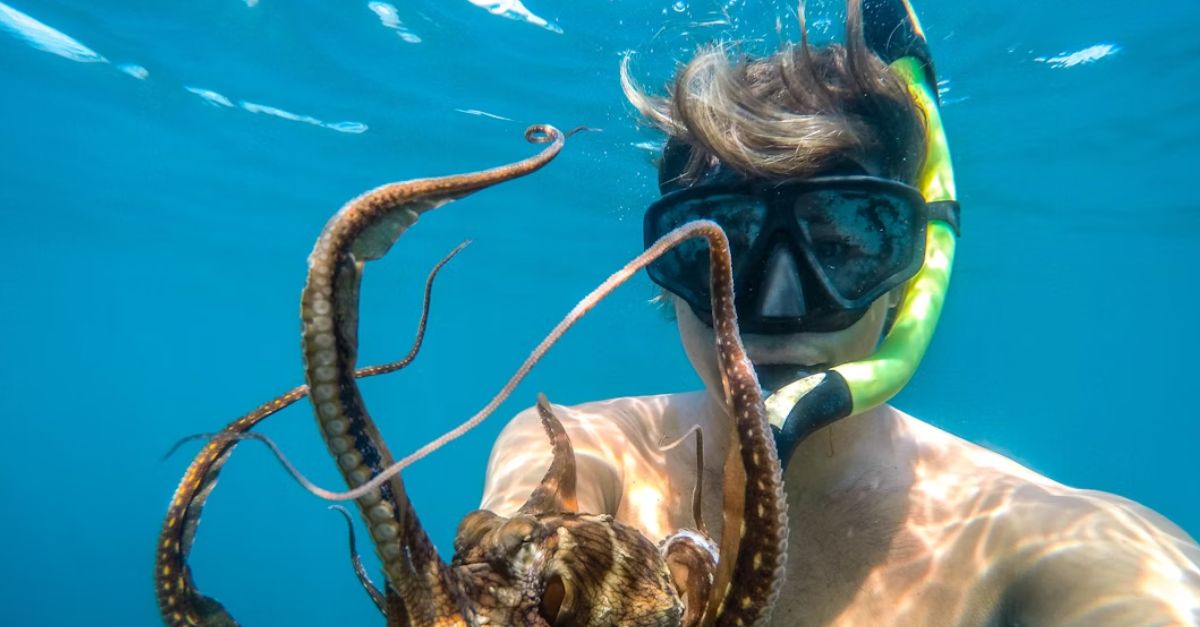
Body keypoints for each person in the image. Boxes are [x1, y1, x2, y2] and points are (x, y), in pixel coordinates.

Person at [479, 0, 1200, 624]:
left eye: (839, 247)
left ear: (904, 277)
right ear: (666, 274)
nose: (777, 307)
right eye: (724, 249)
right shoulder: (581, 450)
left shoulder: (1050, 545)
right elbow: (514, 551)